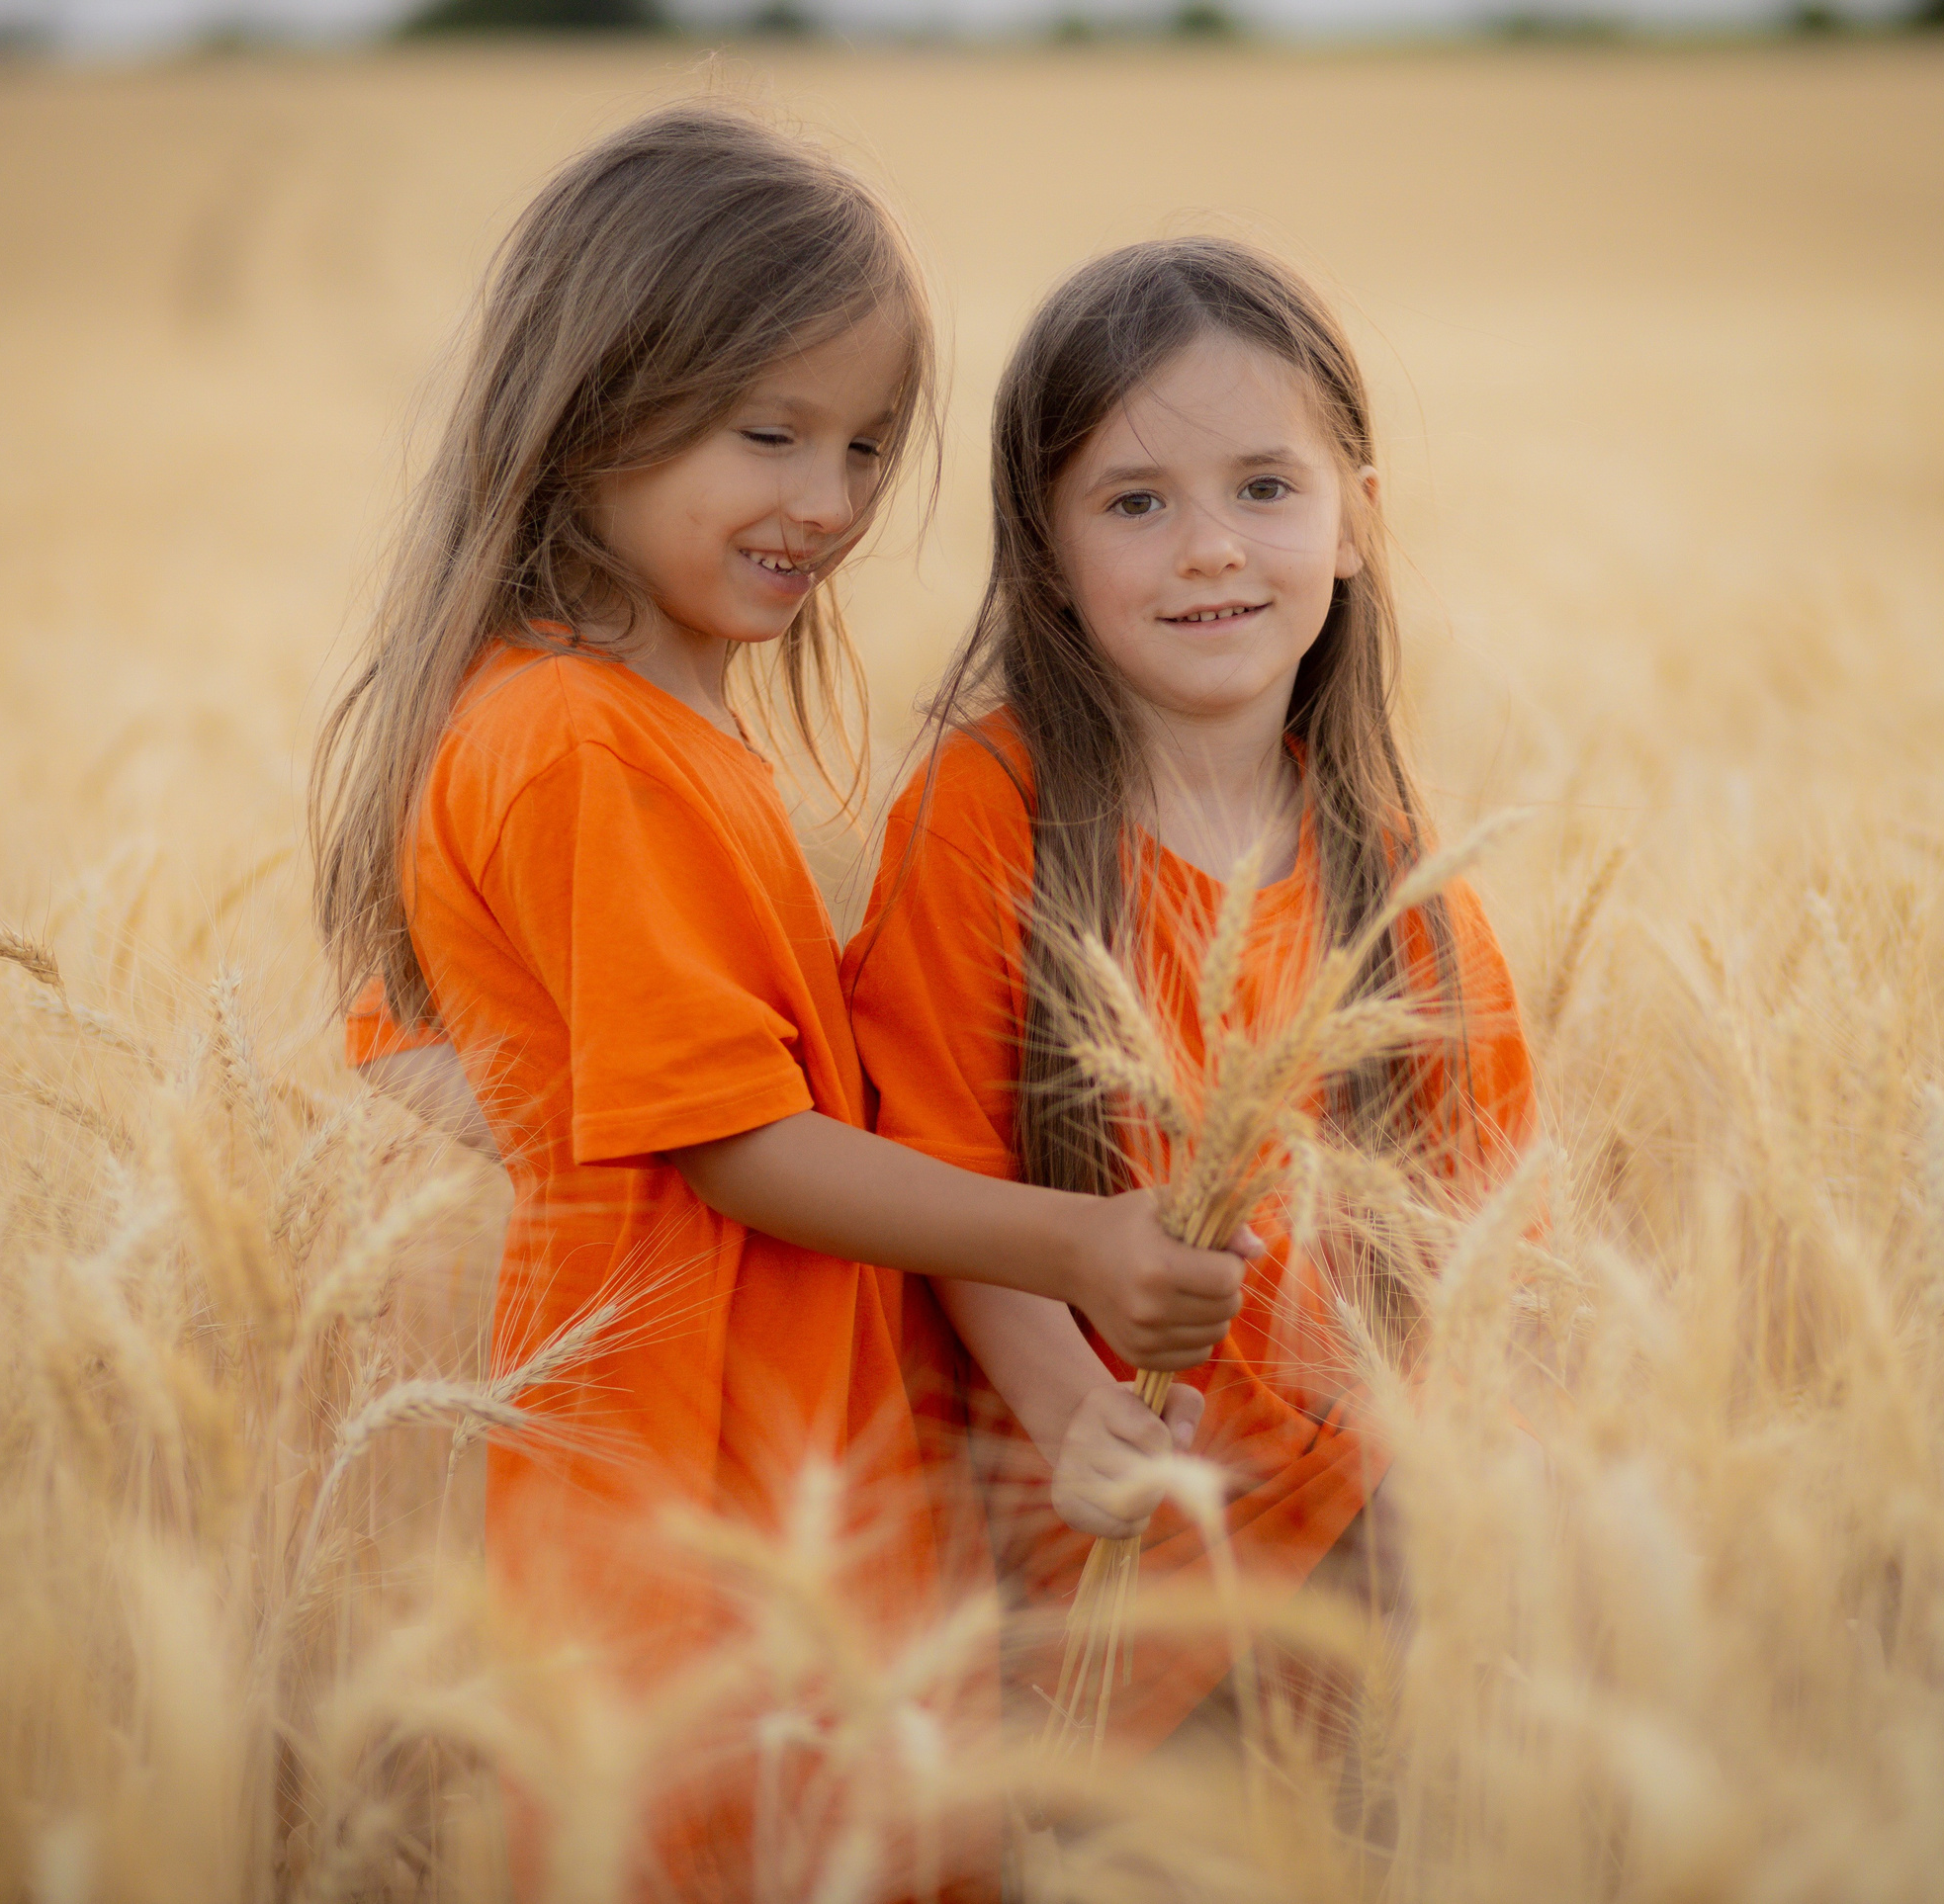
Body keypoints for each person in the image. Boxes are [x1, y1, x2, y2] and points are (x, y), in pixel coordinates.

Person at [308, 107, 1253, 1899]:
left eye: (868, 444)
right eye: (772, 432)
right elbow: (739, 1144)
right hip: (712, 1501)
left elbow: (423, 1041)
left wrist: (588, 1158)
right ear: (596, 402)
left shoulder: (582, 714)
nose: (828, 500)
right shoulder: (590, 744)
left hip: (740, 1465)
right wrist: (1077, 1240)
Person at [839, 236, 1539, 1759]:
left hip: (1357, 1572)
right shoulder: (988, 809)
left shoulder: (1410, 893)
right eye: (1137, 503)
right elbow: (929, 1153)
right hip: (1091, 1565)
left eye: (1264, 488)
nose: (1210, 547)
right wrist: (1061, 1404)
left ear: (1359, 518)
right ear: (1046, 556)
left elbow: (1493, 1246)